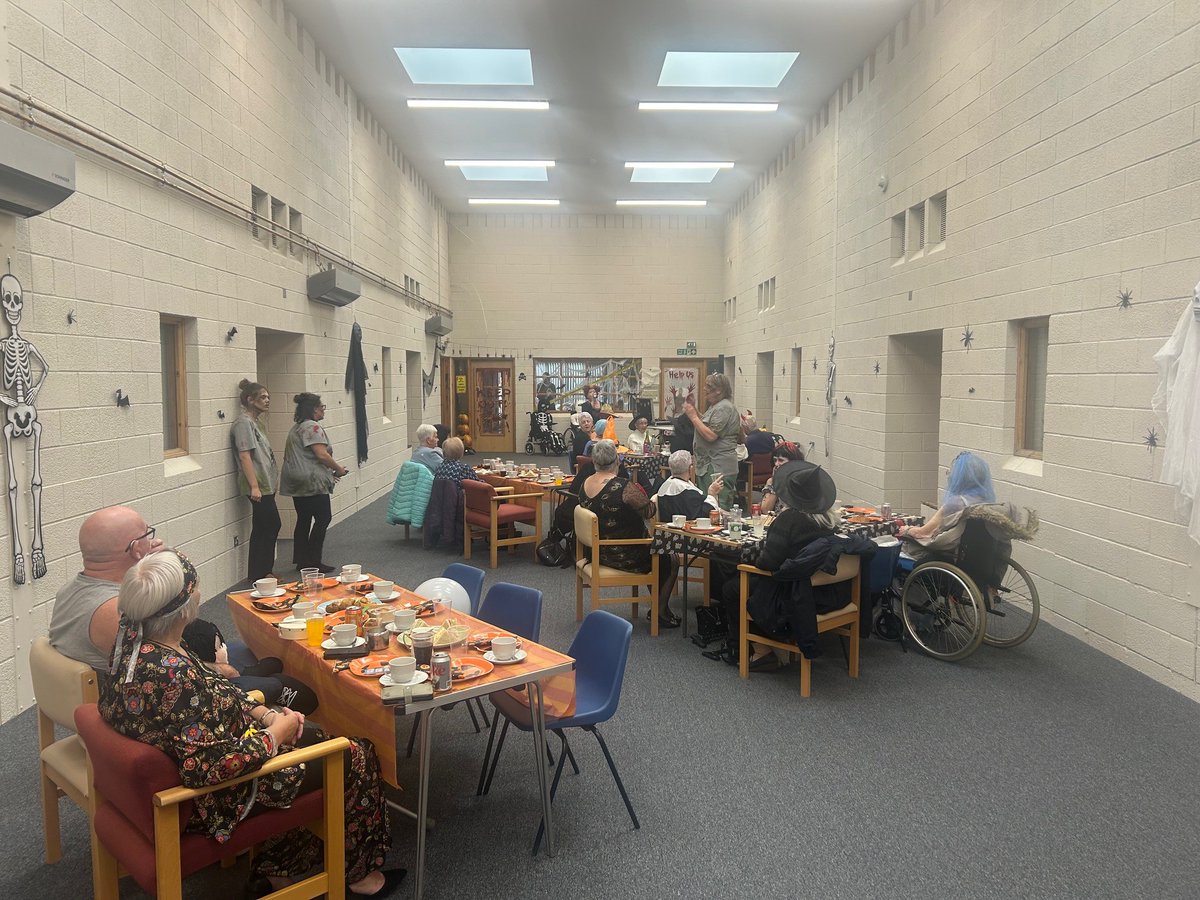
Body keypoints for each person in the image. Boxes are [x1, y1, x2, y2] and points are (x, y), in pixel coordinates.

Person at [99, 550, 403, 898]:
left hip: (191, 767)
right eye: (195, 587)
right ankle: (363, 879)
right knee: (355, 753)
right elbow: (210, 768)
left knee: (314, 741)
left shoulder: (136, 647)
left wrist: (265, 714)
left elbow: (214, 690)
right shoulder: (174, 675)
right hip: (214, 798)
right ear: (186, 606)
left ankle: (280, 872)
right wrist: (277, 734)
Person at [48, 506, 306, 708]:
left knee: (247, 651)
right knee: (297, 689)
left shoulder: (72, 590)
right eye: (147, 534)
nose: (154, 539)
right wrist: (227, 671)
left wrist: (156, 564)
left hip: (124, 693)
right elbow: (174, 664)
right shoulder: (118, 612)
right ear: (137, 549)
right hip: (156, 703)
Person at [708, 460, 840, 671]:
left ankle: (760, 650)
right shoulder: (830, 521)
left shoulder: (789, 520)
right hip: (822, 591)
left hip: (790, 591)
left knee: (732, 588)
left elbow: (767, 563)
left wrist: (751, 559)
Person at [578, 440, 677, 627]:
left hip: (594, 553)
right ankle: (660, 611)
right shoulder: (623, 486)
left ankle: (659, 607)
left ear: (594, 461)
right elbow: (649, 511)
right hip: (623, 554)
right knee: (669, 558)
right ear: (617, 460)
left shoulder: (585, 483)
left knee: (654, 554)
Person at [280, 393, 347, 575]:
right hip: (311, 482)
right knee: (323, 518)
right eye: (322, 407)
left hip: (297, 482)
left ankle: (302, 560)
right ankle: (314, 561)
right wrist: (338, 469)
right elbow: (321, 454)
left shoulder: (296, 427)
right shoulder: (312, 427)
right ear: (314, 409)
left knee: (303, 520)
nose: (323, 409)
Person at [231, 379, 280, 582]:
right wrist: (254, 486)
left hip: (265, 483)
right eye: (262, 397)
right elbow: (245, 456)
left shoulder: (256, 423)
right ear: (250, 400)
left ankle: (261, 573)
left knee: (263, 526)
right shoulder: (243, 423)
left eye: (268, 397)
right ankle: (260, 573)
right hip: (257, 484)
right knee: (271, 524)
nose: (267, 401)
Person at [899, 451, 996, 543]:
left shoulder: (956, 503)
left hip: (951, 554)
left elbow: (921, 533)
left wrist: (907, 529)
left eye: (950, 472)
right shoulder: (986, 502)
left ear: (959, 478)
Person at [684, 373, 740, 509]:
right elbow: (707, 424)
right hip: (709, 464)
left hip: (718, 466)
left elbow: (711, 435)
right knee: (709, 503)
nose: (704, 389)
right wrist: (695, 409)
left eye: (708, 386)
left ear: (719, 390)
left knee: (718, 506)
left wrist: (693, 417)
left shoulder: (724, 407)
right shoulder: (716, 406)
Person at [759, 441, 807, 514]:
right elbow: (765, 510)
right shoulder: (771, 481)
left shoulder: (800, 482)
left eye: (780, 460)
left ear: (792, 462)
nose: (776, 464)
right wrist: (776, 483)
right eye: (775, 460)